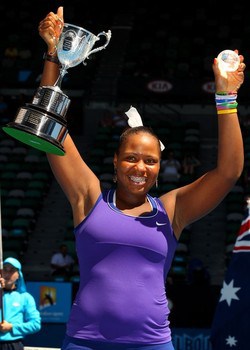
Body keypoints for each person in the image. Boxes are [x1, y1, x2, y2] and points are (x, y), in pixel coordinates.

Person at [38, 6, 245, 350]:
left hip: (150, 344)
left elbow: (228, 172)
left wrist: (227, 96)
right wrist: (52, 54)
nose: (140, 167)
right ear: (116, 161)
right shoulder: (88, 197)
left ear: (159, 168)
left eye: (150, 161)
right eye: (131, 158)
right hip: (85, 342)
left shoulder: (172, 209)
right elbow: (49, 126)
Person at [0, 257, 41, 350]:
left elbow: (35, 324)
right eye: (5, 269)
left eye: (12, 270)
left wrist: (11, 327)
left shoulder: (26, 297)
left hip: (13, 345)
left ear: (19, 275)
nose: (7, 273)